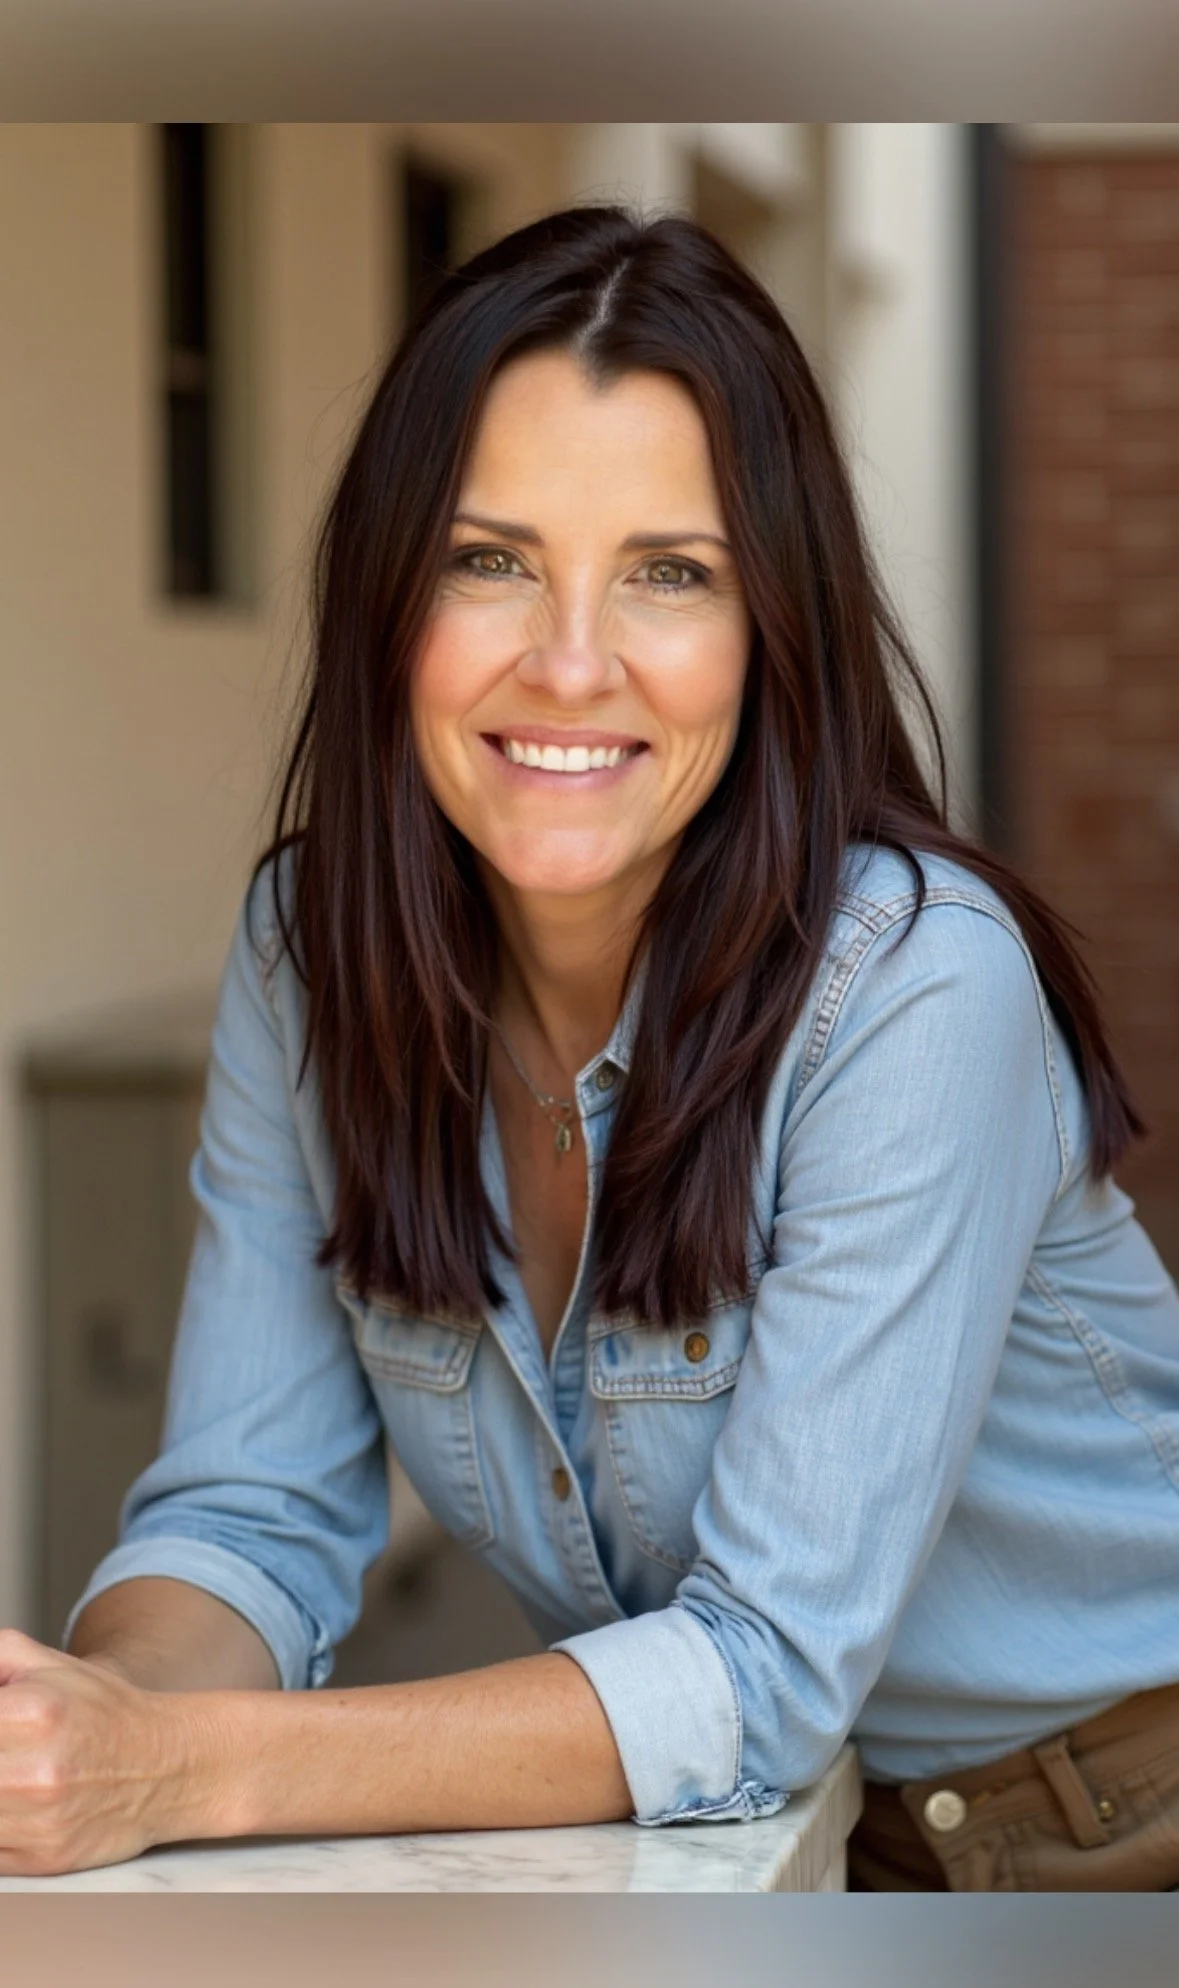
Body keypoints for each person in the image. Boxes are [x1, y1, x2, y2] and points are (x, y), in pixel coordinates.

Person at [1, 205, 1177, 1890]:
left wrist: (185, 1769)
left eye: (668, 575)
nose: (568, 663)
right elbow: (245, 1521)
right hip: (837, 1846)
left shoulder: (915, 987)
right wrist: (86, 1725)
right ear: (386, 598)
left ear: (771, 629)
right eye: (488, 560)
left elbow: (759, 1673)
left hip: (1132, 1825)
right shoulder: (313, 960)